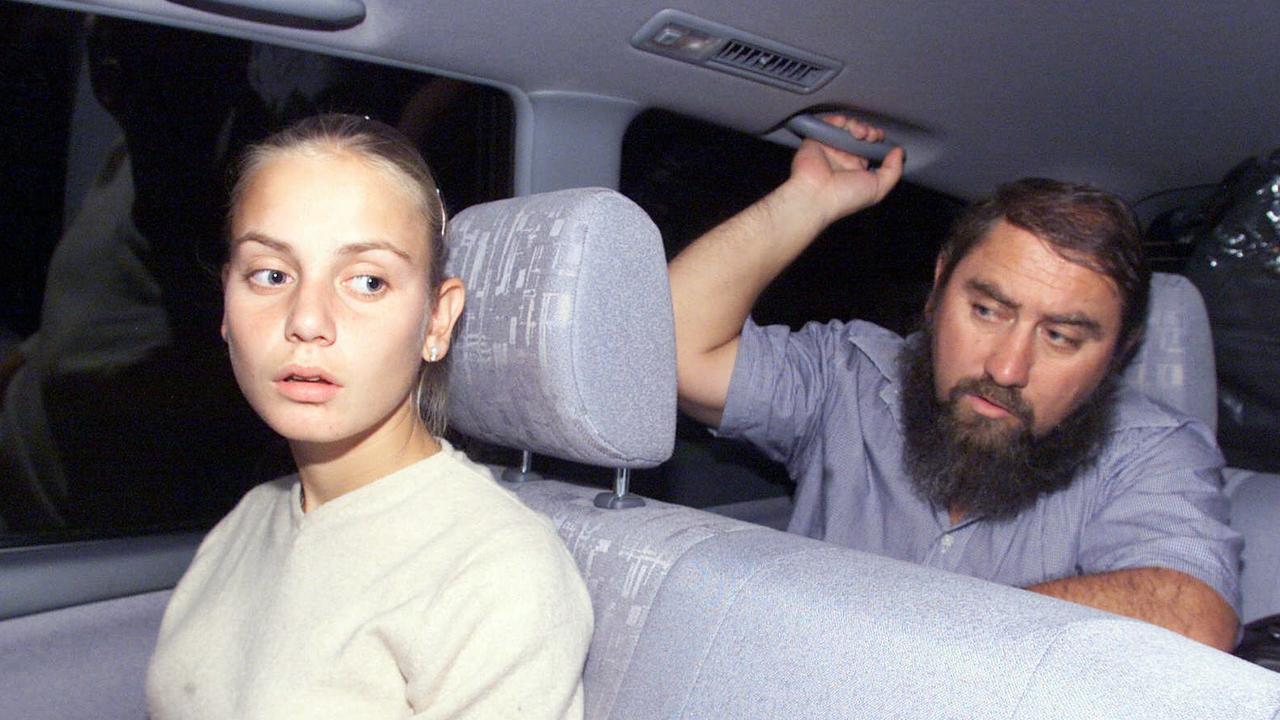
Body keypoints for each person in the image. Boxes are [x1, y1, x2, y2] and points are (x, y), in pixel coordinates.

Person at [670, 117, 1241, 650]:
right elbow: (665, 352)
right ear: (940, 288)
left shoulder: (1151, 453)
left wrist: (921, 636)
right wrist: (805, 204)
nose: (1006, 369)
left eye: (1061, 337)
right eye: (988, 310)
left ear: (1119, 354)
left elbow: (1193, 615)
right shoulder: (847, 378)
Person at [146, 114, 592, 718]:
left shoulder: (498, 573)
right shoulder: (249, 520)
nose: (306, 319)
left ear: (437, 320)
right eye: (271, 274)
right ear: (226, 303)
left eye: (367, 282)